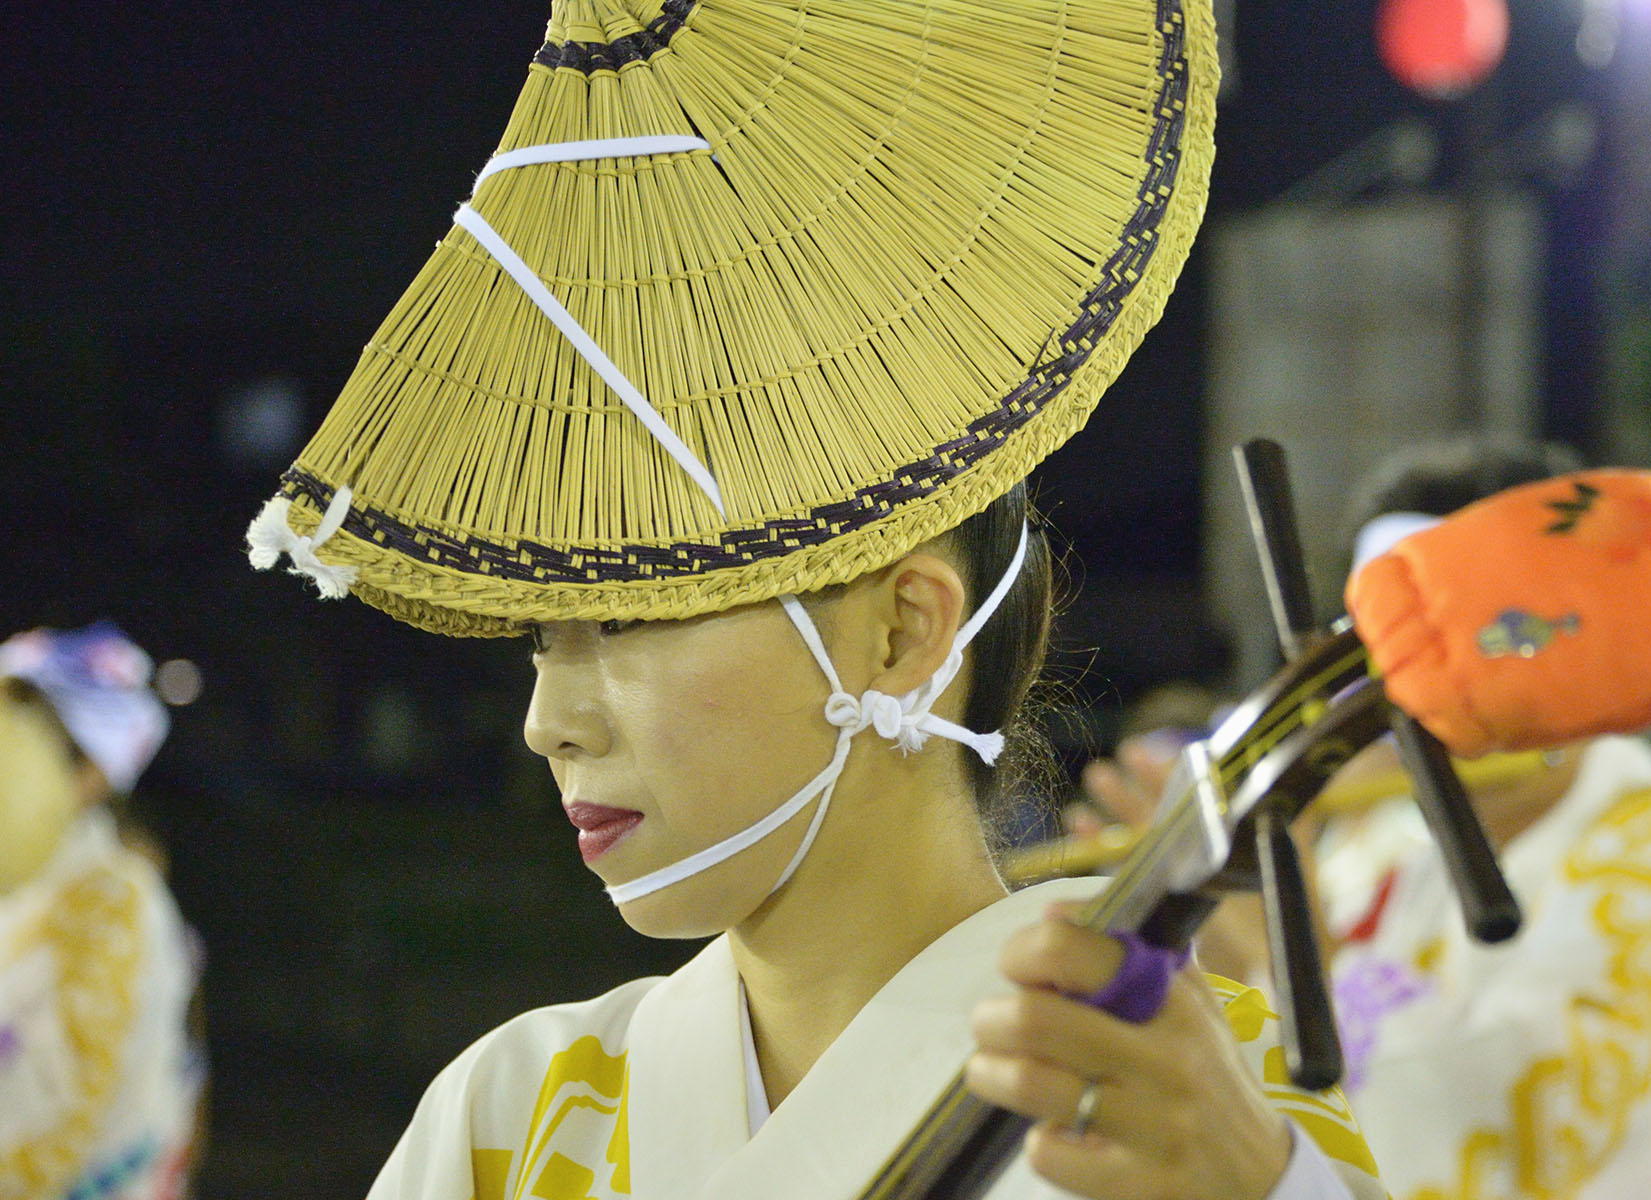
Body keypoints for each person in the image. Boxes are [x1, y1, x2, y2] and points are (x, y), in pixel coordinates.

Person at [244, 2, 1387, 1196]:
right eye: (545, 637)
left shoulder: (1190, 1103)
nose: (549, 720)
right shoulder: (510, 1113)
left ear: (903, 634)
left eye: (629, 619)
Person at [1084, 436, 1651, 1199]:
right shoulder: (1383, 848)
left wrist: (1282, 950)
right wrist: (1191, 938)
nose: (1378, 697)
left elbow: (1496, 1124)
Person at [0, 622, 204, 1199]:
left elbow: (46, 1136)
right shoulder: (22, 887)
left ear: (91, 773)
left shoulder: (112, 908)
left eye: (22, 734)